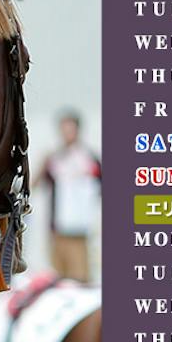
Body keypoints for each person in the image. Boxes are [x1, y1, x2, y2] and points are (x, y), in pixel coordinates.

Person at [37, 109, 100, 284]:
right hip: (57, 229)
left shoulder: (89, 158)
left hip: (79, 230)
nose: (66, 134)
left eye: (70, 129)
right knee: (58, 279)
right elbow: (36, 185)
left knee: (80, 279)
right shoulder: (54, 159)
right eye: (63, 129)